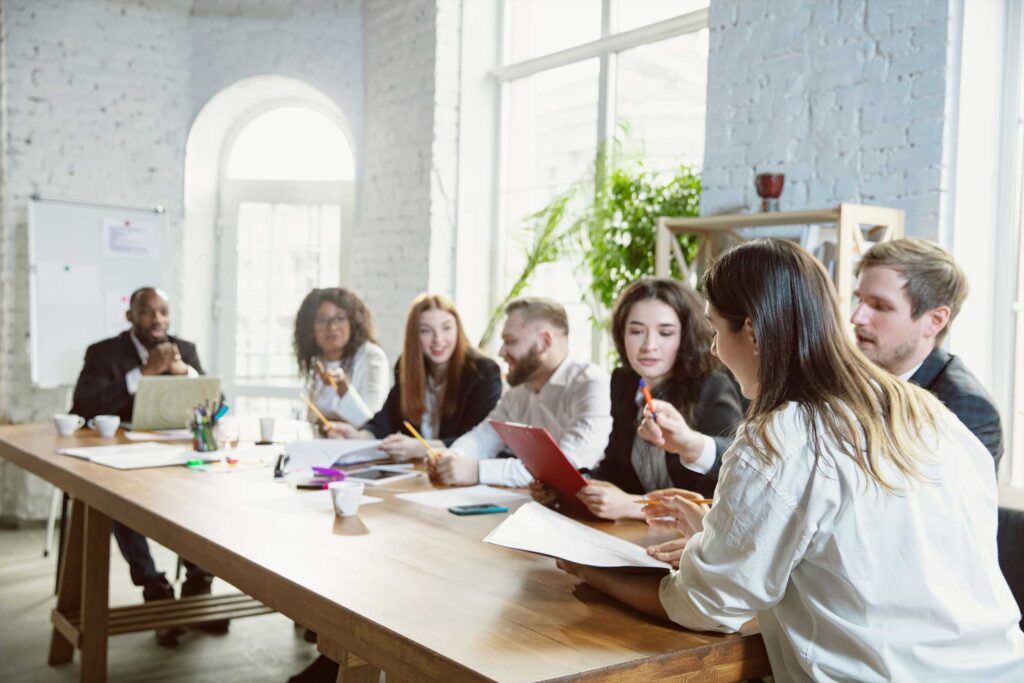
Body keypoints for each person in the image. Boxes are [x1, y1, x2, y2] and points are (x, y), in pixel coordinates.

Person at [556, 239, 1024, 681]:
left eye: (716, 329)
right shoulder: (929, 413)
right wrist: (716, 539)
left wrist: (589, 569)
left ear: (754, 333)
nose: (715, 349)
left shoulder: (779, 437)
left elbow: (707, 606)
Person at [70, 287, 225, 646]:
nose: (157, 320)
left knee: (201, 496)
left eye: (163, 312)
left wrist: (183, 371)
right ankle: (154, 588)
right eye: (147, 312)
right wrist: (144, 372)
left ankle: (198, 585)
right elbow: (84, 406)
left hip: (176, 459)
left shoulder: (183, 349)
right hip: (121, 460)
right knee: (116, 501)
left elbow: (218, 406)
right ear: (130, 316)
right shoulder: (104, 353)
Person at [555, 278, 742, 521]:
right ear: (621, 335)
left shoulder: (712, 386)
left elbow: (726, 483)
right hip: (638, 533)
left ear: (685, 336)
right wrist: (571, 489)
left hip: (693, 539)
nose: (649, 345)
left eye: (665, 333)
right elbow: (616, 469)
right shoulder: (625, 382)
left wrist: (636, 506)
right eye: (636, 331)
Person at [851, 238, 1003, 467]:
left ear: (934, 321)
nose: (856, 317)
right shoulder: (851, 377)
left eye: (881, 306)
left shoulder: (966, 407)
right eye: (859, 300)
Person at [433, 297, 612, 488]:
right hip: (540, 502)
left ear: (544, 342)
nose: (501, 352)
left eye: (510, 341)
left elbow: (564, 469)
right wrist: (452, 458)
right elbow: (485, 435)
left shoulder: (590, 384)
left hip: (593, 508)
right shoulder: (521, 389)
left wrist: (477, 470)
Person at [330, 293, 501, 460]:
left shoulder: (483, 372)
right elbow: (385, 420)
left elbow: (479, 441)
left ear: (458, 329)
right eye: (426, 331)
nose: (438, 339)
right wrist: (359, 437)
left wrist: (421, 448)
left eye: (447, 328)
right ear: (414, 336)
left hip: (463, 474)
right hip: (420, 474)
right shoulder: (406, 367)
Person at [294, 288, 389, 430]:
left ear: (352, 323)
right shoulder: (319, 362)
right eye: (322, 320)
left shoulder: (371, 357)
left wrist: (344, 391)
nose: (332, 327)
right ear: (310, 330)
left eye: (339, 318)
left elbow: (373, 427)